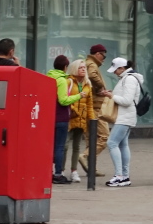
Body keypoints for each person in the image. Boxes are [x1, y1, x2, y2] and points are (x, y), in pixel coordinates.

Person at [106, 57, 143, 187]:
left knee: (112, 143)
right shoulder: (129, 78)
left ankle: (119, 175)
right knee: (122, 144)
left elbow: (127, 101)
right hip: (126, 116)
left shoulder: (129, 79)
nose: (115, 72)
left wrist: (112, 96)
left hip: (125, 116)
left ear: (122, 68)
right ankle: (124, 176)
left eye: (116, 70)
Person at [47, 55, 80, 185]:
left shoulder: (48, 77)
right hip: (60, 117)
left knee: (50, 146)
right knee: (59, 147)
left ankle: (47, 171)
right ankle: (58, 173)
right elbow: (63, 100)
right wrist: (78, 96)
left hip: (49, 116)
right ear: (65, 67)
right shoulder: (61, 80)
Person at [82, 44, 111, 177]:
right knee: (104, 137)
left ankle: (91, 167)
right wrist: (102, 88)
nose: (104, 59)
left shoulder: (87, 63)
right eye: (103, 55)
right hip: (96, 107)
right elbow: (93, 76)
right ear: (97, 54)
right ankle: (85, 156)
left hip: (89, 105)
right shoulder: (91, 64)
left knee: (91, 138)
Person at [64, 59, 95, 183]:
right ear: (74, 69)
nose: (83, 69)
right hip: (70, 118)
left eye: (84, 68)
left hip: (81, 120)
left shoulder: (88, 84)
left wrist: (92, 120)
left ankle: (73, 171)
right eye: (80, 67)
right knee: (65, 146)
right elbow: (64, 98)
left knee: (76, 146)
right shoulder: (69, 82)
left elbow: (89, 104)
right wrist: (74, 110)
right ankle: (60, 170)